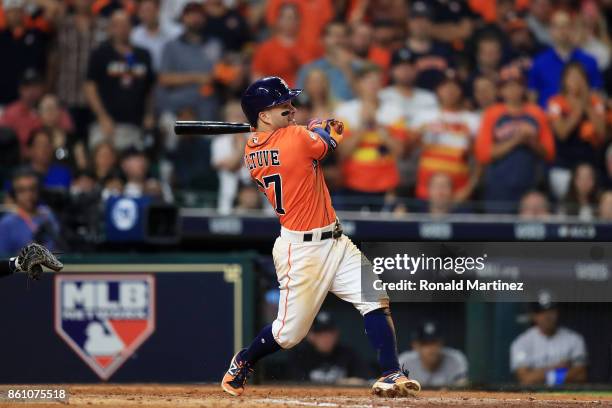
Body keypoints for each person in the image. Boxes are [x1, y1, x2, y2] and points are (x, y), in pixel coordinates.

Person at [220, 76, 421, 398]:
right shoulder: (295, 139)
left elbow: (308, 138)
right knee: (288, 334)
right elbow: (329, 140)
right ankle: (245, 359)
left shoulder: (252, 147)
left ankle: (390, 373)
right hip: (301, 251)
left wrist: (312, 129)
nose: (291, 108)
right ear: (262, 115)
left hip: (336, 242)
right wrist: (324, 128)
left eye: (289, 103)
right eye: (282, 106)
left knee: (374, 299)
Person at [475, 68, 555, 213]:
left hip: (530, 185)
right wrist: (516, 140)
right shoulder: (492, 113)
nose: (513, 90)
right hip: (498, 186)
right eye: (508, 86)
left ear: (523, 88)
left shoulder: (536, 113)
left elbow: (549, 153)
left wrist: (531, 141)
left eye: (517, 85)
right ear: (500, 91)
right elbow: (483, 154)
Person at [335, 65, 406, 211]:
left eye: (377, 81)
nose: (373, 85)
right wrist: (363, 126)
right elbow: (342, 153)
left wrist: (377, 126)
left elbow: (400, 152)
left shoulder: (394, 112)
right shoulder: (344, 112)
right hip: (352, 183)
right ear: (358, 85)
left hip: (386, 184)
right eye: (368, 81)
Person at [84, 10, 156, 150]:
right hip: (106, 125)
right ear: (111, 28)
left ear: (131, 28)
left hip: (135, 125)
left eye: (125, 24)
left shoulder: (143, 55)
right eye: (117, 25)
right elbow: (89, 87)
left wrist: (149, 114)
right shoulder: (100, 53)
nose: (122, 29)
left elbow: (150, 89)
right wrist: (102, 117)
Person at [409, 73, 480, 202]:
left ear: (461, 91)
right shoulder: (423, 116)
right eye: (445, 86)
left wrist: (469, 189)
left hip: (460, 189)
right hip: (426, 188)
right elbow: (406, 151)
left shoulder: (473, 120)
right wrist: (418, 134)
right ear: (438, 90)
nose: (450, 90)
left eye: (454, 86)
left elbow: (480, 161)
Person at [546, 62, 606, 200]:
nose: (576, 81)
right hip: (564, 166)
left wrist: (588, 106)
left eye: (579, 77)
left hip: (591, 167)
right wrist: (579, 107)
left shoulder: (596, 102)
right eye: (571, 77)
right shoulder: (555, 103)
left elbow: (601, 133)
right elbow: (562, 133)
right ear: (564, 81)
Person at [157, 2, 222, 120]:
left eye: (199, 15)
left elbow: (222, 72)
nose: (195, 19)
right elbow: (164, 78)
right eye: (190, 15)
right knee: (168, 122)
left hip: (206, 105)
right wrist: (197, 77)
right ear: (183, 18)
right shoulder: (171, 46)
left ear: (204, 18)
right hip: (176, 105)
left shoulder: (215, 45)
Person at [528, 10, 602, 108]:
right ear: (551, 31)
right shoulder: (539, 62)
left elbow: (596, 96)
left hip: (583, 118)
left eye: (566, 26)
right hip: (547, 118)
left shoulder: (590, 61)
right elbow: (532, 100)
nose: (562, 30)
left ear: (573, 30)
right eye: (557, 27)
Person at [510, 300, 587, 386]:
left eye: (551, 311)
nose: (547, 316)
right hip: (533, 396)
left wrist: (540, 375)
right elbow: (525, 379)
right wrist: (557, 368)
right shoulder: (522, 342)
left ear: (557, 313)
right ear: (534, 316)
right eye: (542, 312)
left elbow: (580, 376)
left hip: (567, 396)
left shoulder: (574, 339)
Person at [287, 311, 369, 384]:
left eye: (329, 332)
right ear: (310, 336)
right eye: (320, 333)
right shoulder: (300, 355)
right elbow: (295, 382)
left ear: (336, 333)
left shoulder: (348, 354)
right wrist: (337, 382)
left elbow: (364, 380)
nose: (326, 337)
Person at [0, 168, 60, 256]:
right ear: (14, 194)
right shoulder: (7, 224)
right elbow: (3, 262)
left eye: (32, 189)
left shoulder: (48, 215)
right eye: (22, 190)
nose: (28, 195)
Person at [0, 0, 50, 105]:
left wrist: (28, 1)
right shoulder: (2, 36)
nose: (14, 15)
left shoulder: (36, 33)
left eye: (17, 11)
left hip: (32, 98)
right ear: (5, 14)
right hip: (4, 98)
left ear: (23, 12)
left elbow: (53, 9)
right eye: (11, 12)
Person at [251, 3, 308, 87]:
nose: (288, 22)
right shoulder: (266, 49)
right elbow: (257, 77)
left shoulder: (308, 47)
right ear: (278, 20)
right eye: (284, 17)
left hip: (303, 96)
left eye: (291, 18)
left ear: (298, 21)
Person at [296, 22, 355, 101]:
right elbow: (301, 100)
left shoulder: (358, 68)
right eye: (333, 35)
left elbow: (364, 99)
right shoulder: (308, 70)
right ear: (322, 40)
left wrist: (348, 69)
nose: (338, 40)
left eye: (342, 36)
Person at [378, 47, 438, 126]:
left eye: (409, 66)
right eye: (400, 67)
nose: (405, 70)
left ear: (416, 70)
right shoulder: (382, 96)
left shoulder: (429, 97)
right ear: (391, 71)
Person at [398, 321, 468, 387]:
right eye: (425, 343)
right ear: (415, 346)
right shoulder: (404, 363)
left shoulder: (455, 360)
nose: (431, 349)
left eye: (434, 342)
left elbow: (462, 388)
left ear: (441, 343)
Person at [404, 1, 454, 91]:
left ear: (431, 23)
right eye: (415, 19)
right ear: (409, 23)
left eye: (424, 19)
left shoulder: (444, 50)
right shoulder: (400, 51)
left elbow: (452, 76)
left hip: (441, 101)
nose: (420, 24)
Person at [0, 70, 46, 155]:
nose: (31, 91)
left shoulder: (51, 109)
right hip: (19, 162)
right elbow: (4, 141)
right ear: (20, 89)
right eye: (27, 87)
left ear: (42, 88)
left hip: (48, 161)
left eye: (35, 86)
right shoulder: (11, 112)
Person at [130, 0, 178, 71]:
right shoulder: (134, 35)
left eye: (149, 10)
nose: (146, 14)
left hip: (171, 75)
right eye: (143, 11)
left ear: (157, 10)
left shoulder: (175, 32)